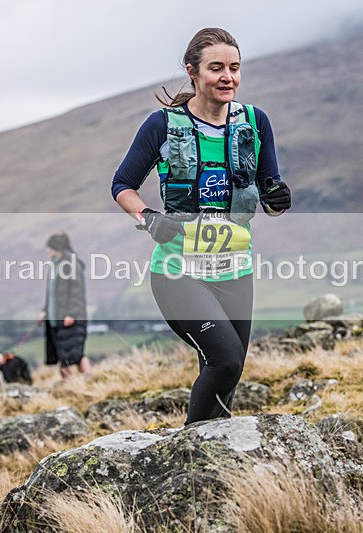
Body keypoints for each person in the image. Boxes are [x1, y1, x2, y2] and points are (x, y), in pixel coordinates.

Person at [111, 28, 291, 424]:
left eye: (234, 68)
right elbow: (122, 186)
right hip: (179, 272)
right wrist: (149, 218)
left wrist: (277, 199)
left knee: (227, 375)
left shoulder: (255, 123)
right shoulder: (162, 125)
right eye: (216, 68)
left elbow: (268, 189)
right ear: (193, 72)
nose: (227, 76)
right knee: (225, 361)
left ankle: (212, 475)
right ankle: (189, 457)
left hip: (235, 271)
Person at [37, 232, 91, 378]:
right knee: (62, 355)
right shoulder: (55, 265)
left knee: (76, 354)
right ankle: (70, 386)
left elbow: (77, 292)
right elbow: (52, 293)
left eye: (49, 248)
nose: (47, 251)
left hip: (70, 318)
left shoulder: (71, 264)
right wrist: (45, 311)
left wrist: (72, 314)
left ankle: (88, 381)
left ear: (56, 248)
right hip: (55, 319)